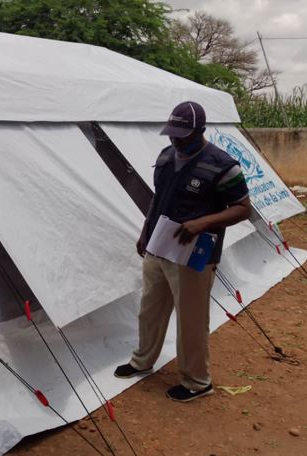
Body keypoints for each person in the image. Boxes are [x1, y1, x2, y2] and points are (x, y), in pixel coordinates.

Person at [114, 101, 251, 402]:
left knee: (191, 319)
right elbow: (157, 199)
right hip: (158, 247)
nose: (175, 140)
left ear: (200, 130)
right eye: (171, 134)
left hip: (193, 255)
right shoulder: (165, 158)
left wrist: (202, 223)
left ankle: (197, 381)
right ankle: (142, 360)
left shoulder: (223, 165)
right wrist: (144, 232)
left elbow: (243, 209)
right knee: (150, 309)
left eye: (182, 135)